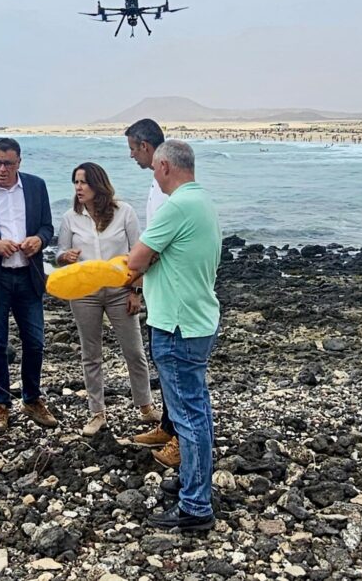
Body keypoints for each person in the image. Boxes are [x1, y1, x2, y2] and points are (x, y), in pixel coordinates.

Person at [128, 140, 221, 531]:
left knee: (188, 416)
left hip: (177, 325)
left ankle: (196, 507)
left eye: (154, 168)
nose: (152, 173)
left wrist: (147, 261)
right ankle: (193, 484)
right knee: (196, 410)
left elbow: (135, 260)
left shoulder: (176, 206)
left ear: (164, 165)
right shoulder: (204, 203)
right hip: (198, 319)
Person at [56, 162, 160, 436]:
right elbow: (60, 252)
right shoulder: (70, 217)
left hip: (119, 291)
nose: (78, 187)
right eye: (75, 182)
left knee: (134, 351)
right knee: (91, 354)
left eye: (83, 182)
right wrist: (64, 257)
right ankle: (97, 413)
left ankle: (146, 405)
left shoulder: (124, 212)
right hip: (84, 293)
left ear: (98, 184)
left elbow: (139, 252)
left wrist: (136, 292)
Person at [0, 138, 57, 433]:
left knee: (35, 342)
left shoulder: (36, 186)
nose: (1, 169)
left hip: (28, 276)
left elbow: (47, 227)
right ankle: (0, 403)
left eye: (8, 164)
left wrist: (38, 240)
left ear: (19, 162)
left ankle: (32, 398)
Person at [125, 118, 180, 461]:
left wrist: (136, 273)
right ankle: (168, 425)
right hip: (158, 287)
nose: (131, 155)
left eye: (132, 149)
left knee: (173, 365)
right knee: (164, 360)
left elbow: (161, 241)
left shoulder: (168, 188)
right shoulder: (156, 183)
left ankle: (180, 438)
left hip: (172, 289)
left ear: (145, 147)